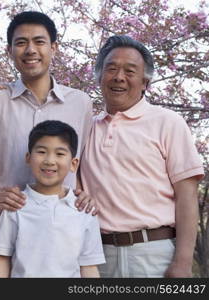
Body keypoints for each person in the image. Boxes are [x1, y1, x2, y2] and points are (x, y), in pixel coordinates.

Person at [0, 11, 95, 277]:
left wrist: (84, 193)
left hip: (63, 229)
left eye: (39, 42)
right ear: (9, 50)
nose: (30, 50)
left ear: (53, 48)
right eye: (21, 42)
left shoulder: (80, 103)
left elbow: (82, 162)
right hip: (6, 224)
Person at [80, 35, 204, 278]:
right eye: (111, 68)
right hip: (97, 256)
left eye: (130, 71)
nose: (119, 77)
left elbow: (187, 196)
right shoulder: (86, 128)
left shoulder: (168, 122)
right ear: (99, 77)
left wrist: (183, 262)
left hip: (155, 254)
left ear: (145, 82)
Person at [0, 120, 105, 277]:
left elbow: (89, 266)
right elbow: (2, 258)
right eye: (41, 152)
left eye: (59, 154)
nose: (49, 160)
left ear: (73, 164)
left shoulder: (83, 210)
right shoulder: (16, 205)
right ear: (28, 158)